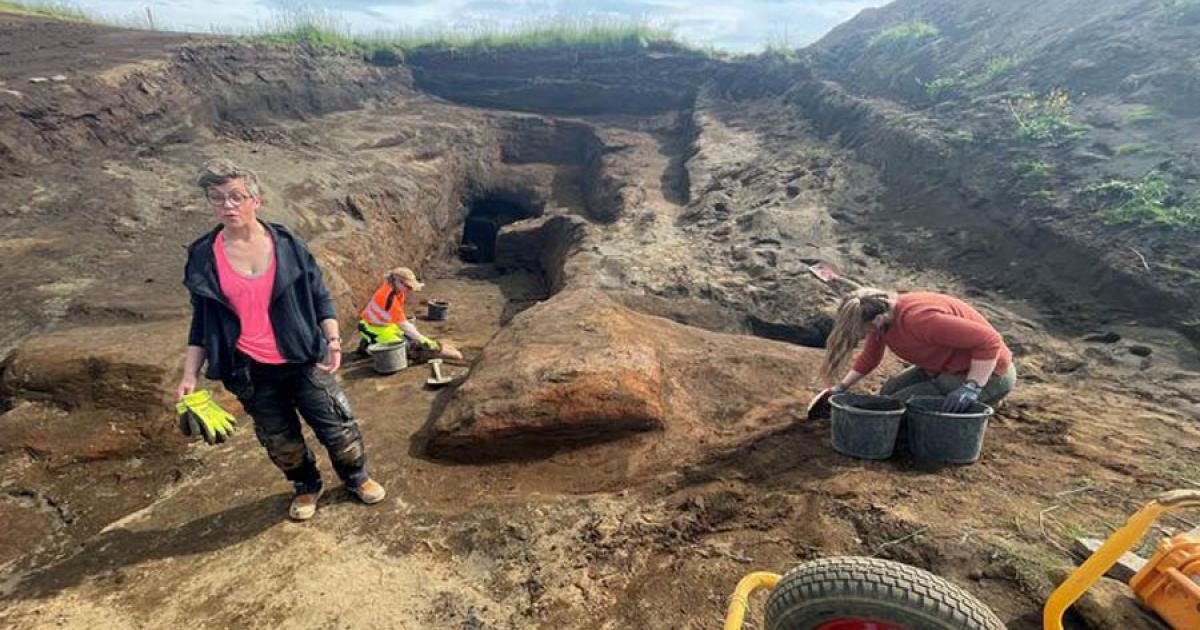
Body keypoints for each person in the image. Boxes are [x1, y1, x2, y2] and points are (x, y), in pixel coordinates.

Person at [176, 159, 385, 521]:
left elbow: (320, 296)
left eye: (236, 196)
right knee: (280, 440)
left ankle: (356, 477)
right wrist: (189, 375)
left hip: (304, 357)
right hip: (249, 370)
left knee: (338, 426)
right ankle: (306, 486)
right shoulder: (202, 257)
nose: (227, 205)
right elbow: (203, 319)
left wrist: (333, 340)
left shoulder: (288, 245)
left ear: (256, 199)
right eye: (217, 198)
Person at [820, 287, 1016, 412]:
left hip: (990, 372)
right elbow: (870, 357)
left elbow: (989, 340)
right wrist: (841, 387)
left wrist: (971, 387)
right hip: (942, 367)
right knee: (889, 392)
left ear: (877, 319)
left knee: (898, 407)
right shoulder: (883, 319)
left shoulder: (920, 320)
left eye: (863, 329)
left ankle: (985, 398)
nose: (862, 334)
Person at [357, 267, 459, 362]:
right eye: (408, 287)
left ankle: (370, 342)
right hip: (370, 327)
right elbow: (403, 325)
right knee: (405, 348)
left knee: (409, 338)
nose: (410, 290)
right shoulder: (389, 297)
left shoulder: (396, 290)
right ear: (397, 281)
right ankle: (368, 348)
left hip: (384, 324)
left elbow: (399, 318)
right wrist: (424, 340)